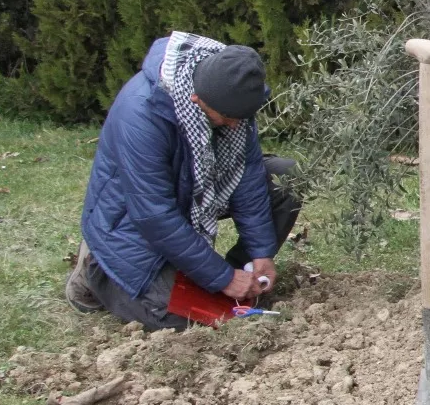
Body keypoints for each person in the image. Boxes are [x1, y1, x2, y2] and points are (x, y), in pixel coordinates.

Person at [64, 33, 302, 330]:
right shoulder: (140, 114)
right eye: (227, 117)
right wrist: (222, 278)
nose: (235, 125)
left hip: (195, 193)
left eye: (240, 118)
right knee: (183, 318)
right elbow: (154, 215)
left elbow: (248, 177)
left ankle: (235, 279)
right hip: (132, 222)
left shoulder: (233, 96)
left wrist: (260, 252)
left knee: (288, 179)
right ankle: (95, 270)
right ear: (196, 100)